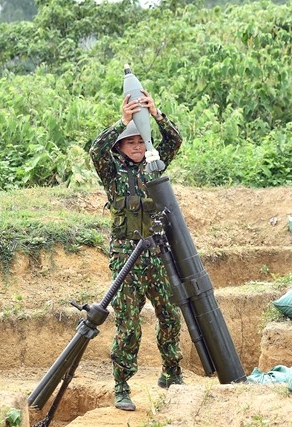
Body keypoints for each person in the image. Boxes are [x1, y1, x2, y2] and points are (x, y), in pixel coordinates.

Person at [89, 90, 184, 411]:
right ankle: (121, 385)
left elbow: (175, 142)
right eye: (132, 143)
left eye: (141, 142)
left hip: (158, 255)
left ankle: (172, 373)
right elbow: (95, 150)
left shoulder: (153, 165)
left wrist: (155, 115)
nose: (139, 148)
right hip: (126, 258)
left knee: (170, 314)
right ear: (120, 148)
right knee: (128, 324)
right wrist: (123, 121)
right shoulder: (112, 173)